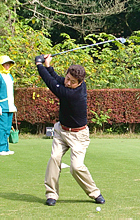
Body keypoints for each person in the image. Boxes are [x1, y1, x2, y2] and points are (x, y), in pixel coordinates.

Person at [35, 54, 105, 206]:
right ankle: (51, 194)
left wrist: (39, 65)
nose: (67, 82)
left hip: (79, 135)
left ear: (80, 83)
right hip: (61, 131)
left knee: (76, 167)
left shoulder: (73, 94)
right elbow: (57, 78)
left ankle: (95, 192)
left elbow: (51, 83)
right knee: (54, 159)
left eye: (72, 82)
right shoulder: (68, 84)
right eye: (67, 78)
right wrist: (48, 66)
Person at [0, 55, 17, 156]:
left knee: (7, 128)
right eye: (5, 64)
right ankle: (0, 149)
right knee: (1, 128)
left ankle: (6, 148)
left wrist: (13, 104)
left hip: (9, 106)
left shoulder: (9, 75)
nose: (7, 66)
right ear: (1, 65)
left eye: (8, 64)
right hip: (2, 106)